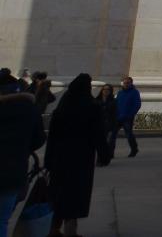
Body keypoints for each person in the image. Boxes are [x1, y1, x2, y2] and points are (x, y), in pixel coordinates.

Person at [44, 74, 101, 237]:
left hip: (59, 159)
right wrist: (104, 154)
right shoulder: (92, 107)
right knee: (75, 196)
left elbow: (52, 138)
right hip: (81, 160)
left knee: (58, 194)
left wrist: (48, 161)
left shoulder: (61, 108)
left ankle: (53, 229)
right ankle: (71, 231)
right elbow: (98, 134)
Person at [0, 83, 45, 226]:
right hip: (14, 170)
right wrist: (23, 148)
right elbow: (39, 138)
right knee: (2, 220)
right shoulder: (31, 109)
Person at [110, 77, 140, 160]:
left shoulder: (134, 93)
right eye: (125, 83)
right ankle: (110, 153)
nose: (126, 84)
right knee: (112, 136)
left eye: (128, 83)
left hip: (127, 118)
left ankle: (134, 149)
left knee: (129, 135)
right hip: (118, 117)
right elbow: (116, 104)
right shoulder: (120, 93)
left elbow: (137, 105)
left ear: (131, 83)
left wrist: (131, 114)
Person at [94, 84, 117, 166]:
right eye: (104, 89)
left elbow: (115, 115)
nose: (106, 91)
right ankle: (99, 160)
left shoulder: (113, 101)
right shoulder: (96, 100)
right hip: (97, 125)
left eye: (108, 89)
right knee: (99, 144)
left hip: (108, 126)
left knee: (105, 144)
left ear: (110, 91)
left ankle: (102, 159)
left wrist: (114, 128)